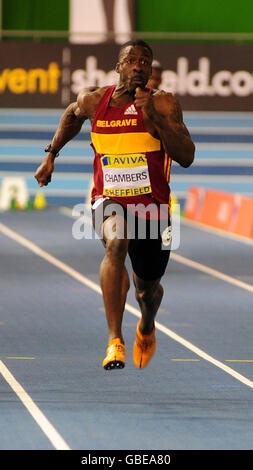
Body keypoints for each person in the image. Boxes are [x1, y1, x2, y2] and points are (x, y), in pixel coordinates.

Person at [35, 39, 195, 371]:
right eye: (132, 60)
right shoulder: (96, 101)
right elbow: (72, 114)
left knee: (147, 290)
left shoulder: (164, 104)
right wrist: (51, 155)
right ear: (118, 66)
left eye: (145, 62)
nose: (139, 66)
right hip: (107, 200)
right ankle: (114, 340)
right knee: (117, 241)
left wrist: (155, 119)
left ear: (150, 70)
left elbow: (186, 157)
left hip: (152, 209)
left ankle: (147, 325)